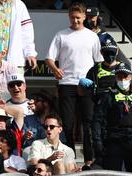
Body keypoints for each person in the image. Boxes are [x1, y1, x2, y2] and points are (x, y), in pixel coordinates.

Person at [45, 2, 102, 150]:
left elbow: (99, 61)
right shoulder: (61, 35)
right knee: (67, 123)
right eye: (72, 17)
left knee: (88, 122)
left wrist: (96, 80)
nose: (75, 20)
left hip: (87, 84)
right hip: (67, 83)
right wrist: (55, 69)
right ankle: (69, 155)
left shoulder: (92, 36)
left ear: (84, 16)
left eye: (78, 17)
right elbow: (49, 58)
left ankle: (89, 159)